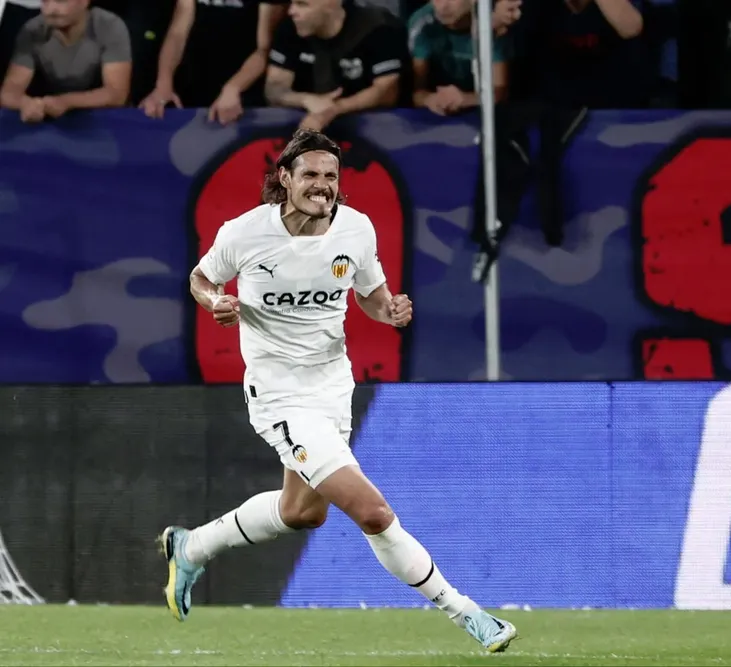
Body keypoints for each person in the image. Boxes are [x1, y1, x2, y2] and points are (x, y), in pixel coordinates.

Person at [160, 128, 518, 654]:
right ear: (285, 178)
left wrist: (388, 310)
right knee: (373, 513)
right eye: (310, 174)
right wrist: (215, 301)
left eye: (330, 176)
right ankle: (467, 613)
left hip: (332, 387)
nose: (322, 185)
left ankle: (191, 546)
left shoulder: (356, 229)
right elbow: (200, 277)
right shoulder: (245, 233)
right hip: (280, 396)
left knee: (302, 512)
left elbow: (371, 295)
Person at [265, 0, 410, 131]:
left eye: (302, 4)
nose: (291, 11)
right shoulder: (290, 28)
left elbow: (387, 91)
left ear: (331, 4)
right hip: (305, 128)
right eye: (292, 3)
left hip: (375, 130)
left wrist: (334, 109)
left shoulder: (378, 27)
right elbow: (274, 89)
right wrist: (305, 99)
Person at [137, 0, 289, 124]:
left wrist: (233, 88)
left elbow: (264, 48)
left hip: (242, 94)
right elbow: (177, 34)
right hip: (194, 86)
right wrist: (163, 84)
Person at [0, 0, 131, 122]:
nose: (51, 10)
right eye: (45, 1)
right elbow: (9, 92)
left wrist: (66, 102)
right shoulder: (32, 30)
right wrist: (26, 104)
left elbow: (116, 94)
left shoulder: (109, 25)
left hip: (98, 118)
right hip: (48, 119)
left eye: (61, 0)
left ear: (84, 2)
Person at [408, 0, 509, 115]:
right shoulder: (422, 22)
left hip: (485, 111)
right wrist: (431, 99)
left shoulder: (493, 22)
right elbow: (417, 92)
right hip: (436, 114)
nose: (443, 6)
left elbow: (501, 93)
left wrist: (467, 99)